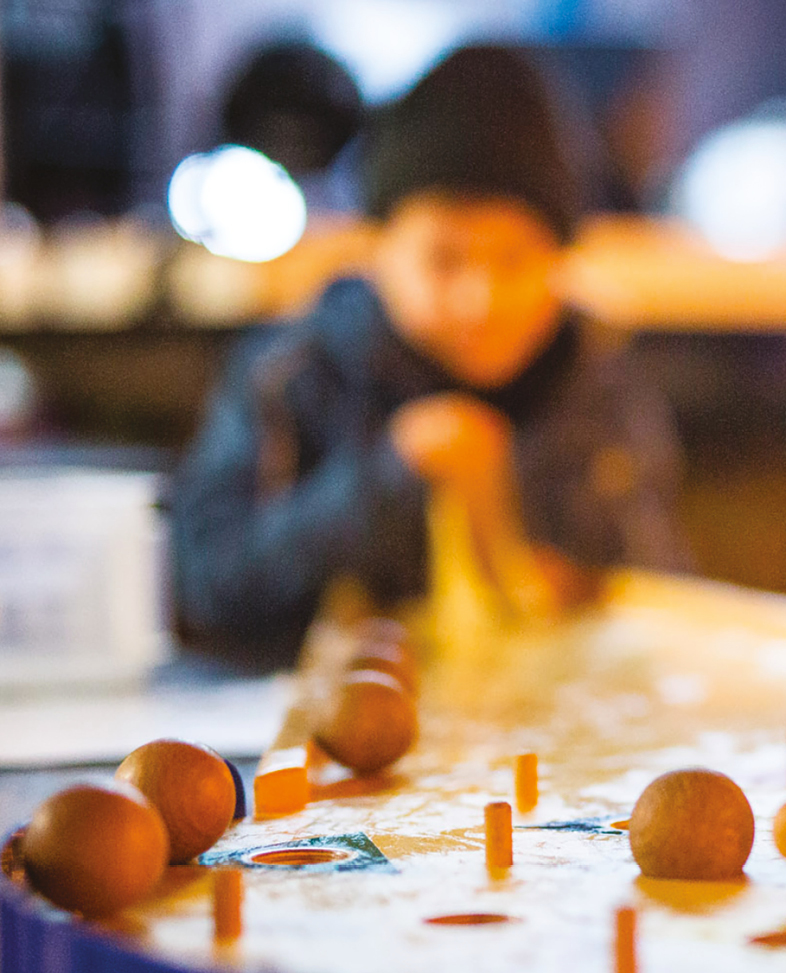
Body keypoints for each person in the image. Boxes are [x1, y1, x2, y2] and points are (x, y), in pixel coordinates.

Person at [171, 44, 691, 670]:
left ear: (560, 260)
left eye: (514, 260)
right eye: (443, 260)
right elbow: (206, 588)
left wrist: (510, 498)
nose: (480, 299)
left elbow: (657, 585)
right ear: (377, 247)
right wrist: (393, 474)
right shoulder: (294, 372)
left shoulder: (595, 378)